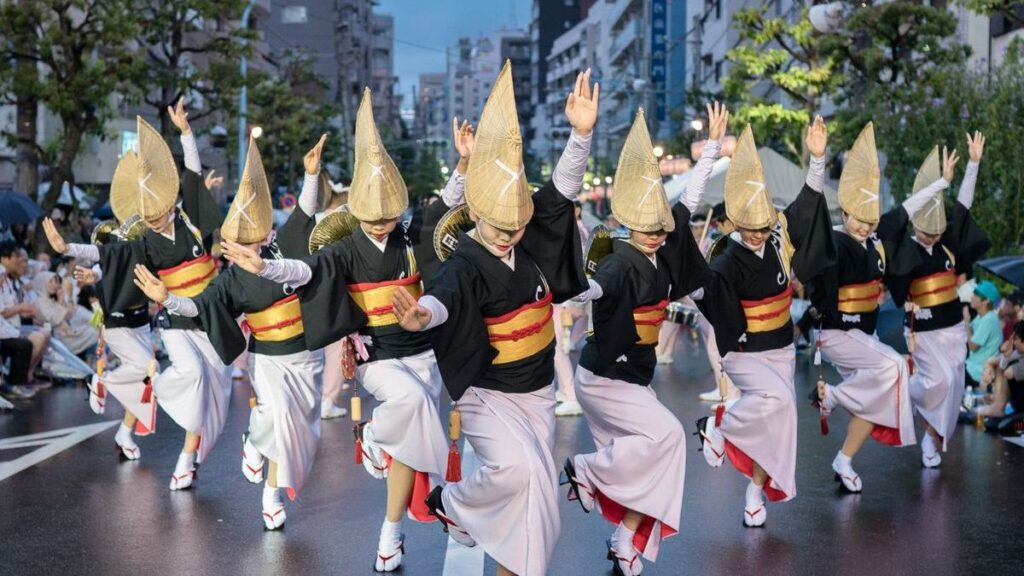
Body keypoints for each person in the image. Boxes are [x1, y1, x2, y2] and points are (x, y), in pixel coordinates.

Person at [221, 90, 469, 570]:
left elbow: (442, 211)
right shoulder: (342, 245)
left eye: (388, 215)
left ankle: (390, 532)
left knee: (408, 451)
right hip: (379, 359)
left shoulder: (411, 238)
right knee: (413, 407)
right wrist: (266, 269)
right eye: (371, 216)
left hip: (423, 355)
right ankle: (383, 442)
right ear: (356, 208)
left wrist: (461, 165)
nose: (380, 224)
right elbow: (303, 271)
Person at [391, 63, 596, 576]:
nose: (508, 233)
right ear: (478, 214)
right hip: (487, 392)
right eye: (499, 225)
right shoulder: (464, 262)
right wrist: (423, 315)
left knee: (534, 501)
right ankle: (453, 503)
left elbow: (563, 191)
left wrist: (581, 134)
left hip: (537, 393)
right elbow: (445, 296)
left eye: (518, 224)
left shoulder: (530, 239)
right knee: (522, 470)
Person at [134, 130, 332, 530]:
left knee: (301, 429)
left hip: (305, 352)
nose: (244, 250)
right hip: (268, 357)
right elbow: (200, 306)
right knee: (277, 420)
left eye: (251, 242)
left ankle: (255, 442)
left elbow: (305, 214)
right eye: (236, 244)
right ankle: (270, 495)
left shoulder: (285, 248)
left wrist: (310, 175)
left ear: (264, 236)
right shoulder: (229, 281)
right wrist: (166, 297)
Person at [561, 103, 723, 575]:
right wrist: (578, 287)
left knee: (652, 464)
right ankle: (590, 469)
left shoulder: (666, 243)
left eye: (661, 228)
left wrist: (711, 148)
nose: (656, 235)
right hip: (605, 379)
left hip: (634, 380)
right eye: (648, 228)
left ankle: (624, 540)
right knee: (670, 436)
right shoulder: (617, 260)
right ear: (630, 221)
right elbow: (596, 286)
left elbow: (689, 198)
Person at [44, 100, 232, 490]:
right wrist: (69, 248)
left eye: (157, 211)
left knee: (215, 387)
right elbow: (110, 253)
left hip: (210, 313)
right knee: (193, 376)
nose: (153, 218)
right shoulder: (143, 240)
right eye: (146, 216)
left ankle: (189, 453)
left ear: (168, 200)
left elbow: (194, 175)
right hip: (176, 318)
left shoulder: (190, 220)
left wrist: (186, 133)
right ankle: (181, 454)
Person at [693, 117, 836, 527]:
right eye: (750, 228)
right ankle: (719, 427)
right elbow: (711, 302)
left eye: (763, 225)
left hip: (781, 349)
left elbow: (809, 202)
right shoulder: (723, 261)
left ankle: (755, 489)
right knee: (777, 402)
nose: (758, 234)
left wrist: (817, 157)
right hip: (744, 353)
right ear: (735, 221)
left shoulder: (778, 236)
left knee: (780, 421)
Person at [803, 123, 917, 494]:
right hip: (836, 334)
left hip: (862, 336)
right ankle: (833, 396)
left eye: (871, 221)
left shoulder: (874, 242)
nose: (866, 226)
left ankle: (845, 459)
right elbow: (813, 211)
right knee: (896, 366)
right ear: (847, 211)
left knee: (878, 394)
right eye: (860, 219)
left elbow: (902, 215)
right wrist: (817, 160)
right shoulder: (835, 241)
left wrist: (939, 186)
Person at [877, 132, 991, 468]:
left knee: (954, 386)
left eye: (938, 232)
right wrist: (939, 183)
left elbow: (964, 208)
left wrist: (973, 164)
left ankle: (932, 437)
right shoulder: (905, 247)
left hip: (953, 327)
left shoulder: (946, 245)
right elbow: (893, 219)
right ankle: (906, 393)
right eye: (928, 231)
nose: (934, 236)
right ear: (916, 226)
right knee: (937, 382)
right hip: (923, 330)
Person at [552, 201, 590, 417]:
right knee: (560, 347)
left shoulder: (573, 231)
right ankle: (564, 391)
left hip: (569, 298)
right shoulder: (579, 230)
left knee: (558, 348)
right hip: (573, 296)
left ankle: (571, 395)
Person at [0, 242, 51, 384]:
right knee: (36, 338)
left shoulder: (12, 281)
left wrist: (26, 313)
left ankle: (28, 374)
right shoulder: (4, 277)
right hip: (7, 327)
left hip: (11, 325)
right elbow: (4, 312)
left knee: (45, 332)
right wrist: (20, 308)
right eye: (17, 258)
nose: (21, 263)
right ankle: (18, 381)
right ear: (5, 259)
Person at [33, 271, 98, 355]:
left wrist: (65, 298)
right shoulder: (40, 301)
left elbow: (69, 315)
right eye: (51, 281)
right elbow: (54, 320)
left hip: (65, 333)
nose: (54, 285)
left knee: (95, 330)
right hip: (56, 338)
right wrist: (60, 302)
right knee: (93, 332)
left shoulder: (52, 299)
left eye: (56, 282)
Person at [0, 269, 37, 400]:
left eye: (4, 276)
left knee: (24, 344)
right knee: (22, 345)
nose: (3, 279)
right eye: (1, 276)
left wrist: (16, 333)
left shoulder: (3, 291)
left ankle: (15, 384)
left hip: (5, 333)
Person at [966, 280, 1003, 393]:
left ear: (986, 300)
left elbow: (973, 346)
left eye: (976, 295)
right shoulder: (981, 317)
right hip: (971, 367)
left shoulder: (989, 319)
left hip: (978, 372)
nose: (972, 297)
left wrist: (966, 322)